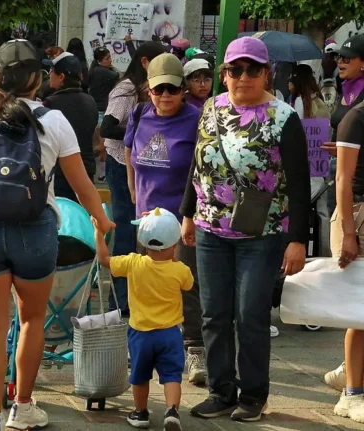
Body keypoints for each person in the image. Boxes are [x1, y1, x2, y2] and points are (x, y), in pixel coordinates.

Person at [0, 39, 114, 431]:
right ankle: (23, 408)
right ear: (37, 78)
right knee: (31, 321)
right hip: (35, 230)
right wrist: (101, 220)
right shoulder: (55, 120)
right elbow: (82, 185)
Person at [180, 37, 310, 421]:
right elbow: (197, 164)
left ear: (267, 73)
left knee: (250, 314)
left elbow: (300, 184)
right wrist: (187, 213)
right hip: (210, 229)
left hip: (262, 233)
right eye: (235, 70)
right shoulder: (211, 108)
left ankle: (253, 395)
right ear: (224, 74)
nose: (243, 77)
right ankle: (221, 391)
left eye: (253, 69)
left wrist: (298, 240)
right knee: (213, 314)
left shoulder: (284, 117)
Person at [123, 53, 207, 386]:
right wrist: (133, 190)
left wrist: (191, 214)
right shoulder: (139, 114)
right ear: (149, 89)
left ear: (183, 89)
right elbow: (128, 151)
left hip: (183, 219)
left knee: (186, 283)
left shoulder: (196, 119)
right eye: (159, 89)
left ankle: (194, 347)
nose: (166, 96)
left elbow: (203, 169)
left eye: (173, 89)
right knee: (144, 282)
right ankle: (145, 345)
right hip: (146, 218)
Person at [94, 208, 191, 430]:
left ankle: (140, 413)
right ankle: (172, 410)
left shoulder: (133, 263)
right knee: (172, 375)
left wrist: (98, 233)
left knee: (140, 375)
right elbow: (188, 285)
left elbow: (104, 259)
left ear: (143, 241)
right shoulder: (180, 270)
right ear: (175, 244)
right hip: (170, 333)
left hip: (141, 334)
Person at [99, 41, 167, 313]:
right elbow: (106, 127)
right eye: (159, 62)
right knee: (126, 233)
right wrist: (140, 133)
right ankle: (119, 301)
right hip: (119, 165)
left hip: (140, 168)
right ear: (145, 62)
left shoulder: (149, 89)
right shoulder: (126, 89)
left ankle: (137, 296)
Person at [323, 33, 364, 407]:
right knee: (359, 307)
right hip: (358, 212)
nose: (341, 62)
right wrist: (349, 233)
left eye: (348, 57)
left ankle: (349, 372)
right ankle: (352, 391)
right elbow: (343, 180)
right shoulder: (357, 113)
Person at [43, 52, 98, 201]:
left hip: (60, 174)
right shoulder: (90, 101)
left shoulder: (50, 104)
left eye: (52, 71)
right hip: (86, 171)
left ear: (61, 77)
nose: (49, 75)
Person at [88, 47, 119, 121]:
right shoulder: (103, 71)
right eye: (107, 59)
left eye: (110, 57)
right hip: (102, 111)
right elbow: (118, 75)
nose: (110, 60)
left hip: (96, 108)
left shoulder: (94, 69)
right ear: (99, 61)